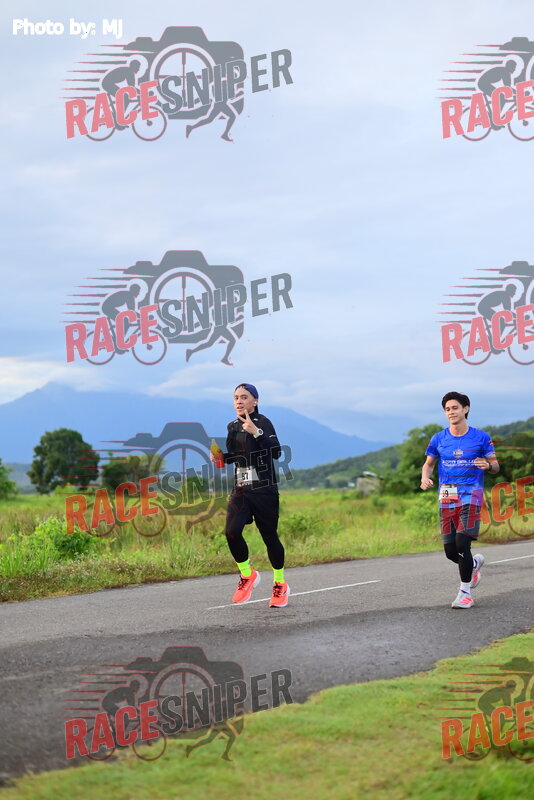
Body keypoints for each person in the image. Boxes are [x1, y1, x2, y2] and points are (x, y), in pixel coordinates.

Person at [210, 383, 289, 607]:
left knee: (269, 537)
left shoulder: (263, 423)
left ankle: (280, 583)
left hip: (264, 489)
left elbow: (276, 452)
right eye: (236, 397)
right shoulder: (232, 426)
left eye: (244, 397)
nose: (239, 401)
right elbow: (237, 456)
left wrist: (257, 432)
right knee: (231, 532)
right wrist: (221, 458)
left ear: (255, 401)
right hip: (241, 489)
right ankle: (247, 574)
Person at [420, 391, 499, 609]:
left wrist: (488, 465)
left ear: (466, 409)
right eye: (447, 409)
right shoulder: (438, 438)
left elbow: (495, 465)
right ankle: (472, 565)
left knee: (462, 542)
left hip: (472, 494)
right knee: (451, 551)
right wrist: (425, 478)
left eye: (455, 408)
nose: (451, 412)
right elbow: (428, 464)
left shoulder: (481, 437)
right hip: (448, 494)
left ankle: (465, 593)